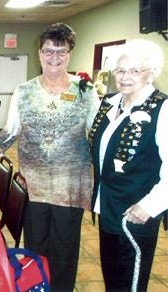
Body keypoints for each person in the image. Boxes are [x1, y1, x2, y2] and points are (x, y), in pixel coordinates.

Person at [0, 23, 99, 291]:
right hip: (34, 185)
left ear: (69, 54)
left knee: (64, 252)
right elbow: (10, 132)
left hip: (71, 188)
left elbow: (98, 134)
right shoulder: (24, 91)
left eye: (61, 52)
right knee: (36, 248)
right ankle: (37, 287)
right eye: (48, 51)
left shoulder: (86, 91)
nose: (54, 58)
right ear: (40, 53)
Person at [88, 39, 167, 291]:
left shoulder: (162, 109)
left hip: (136, 213)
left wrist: (150, 206)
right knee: (112, 278)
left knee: (130, 284)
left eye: (135, 70)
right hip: (108, 208)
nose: (125, 77)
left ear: (152, 72)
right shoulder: (110, 103)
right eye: (120, 70)